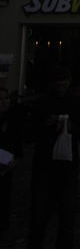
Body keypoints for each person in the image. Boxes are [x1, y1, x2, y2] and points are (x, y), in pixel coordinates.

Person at [25, 66, 80, 249]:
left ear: (69, 82)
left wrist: (71, 128)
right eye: (58, 81)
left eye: (65, 80)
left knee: (67, 221)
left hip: (67, 170)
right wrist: (46, 124)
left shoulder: (77, 103)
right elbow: (28, 136)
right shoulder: (41, 104)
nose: (61, 85)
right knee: (39, 220)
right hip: (44, 170)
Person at [0, 86, 23, 242]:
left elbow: (17, 142)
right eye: (0, 100)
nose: (3, 102)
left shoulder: (13, 119)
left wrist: (15, 160)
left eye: (6, 99)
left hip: (5, 167)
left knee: (4, 197)